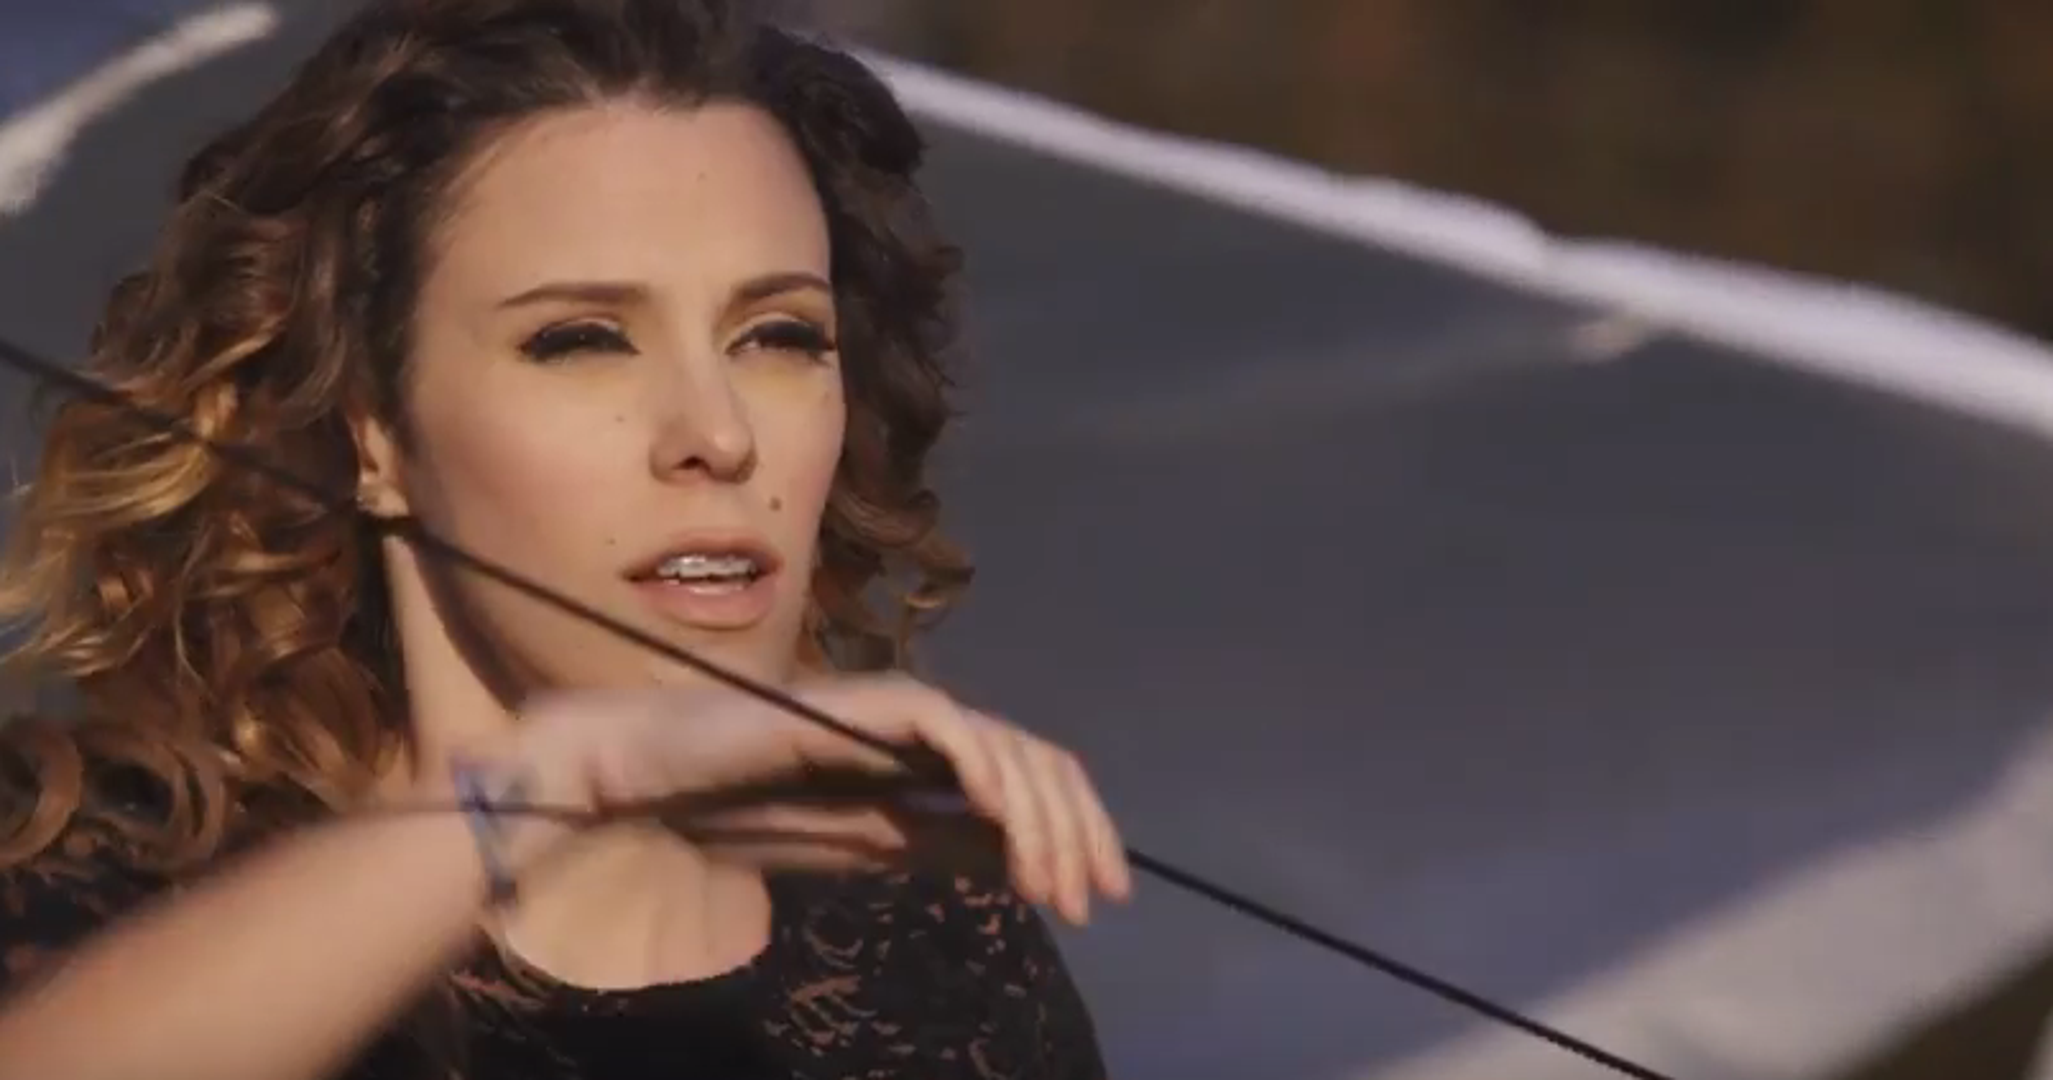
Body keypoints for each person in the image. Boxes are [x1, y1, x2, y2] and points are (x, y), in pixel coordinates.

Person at [0, 1, 1132, 1077]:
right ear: (373, 432)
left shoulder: (940, 949)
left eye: (779, 336)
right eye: (583, 339)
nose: (718, 435)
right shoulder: (96, 875)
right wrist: (551, 786)